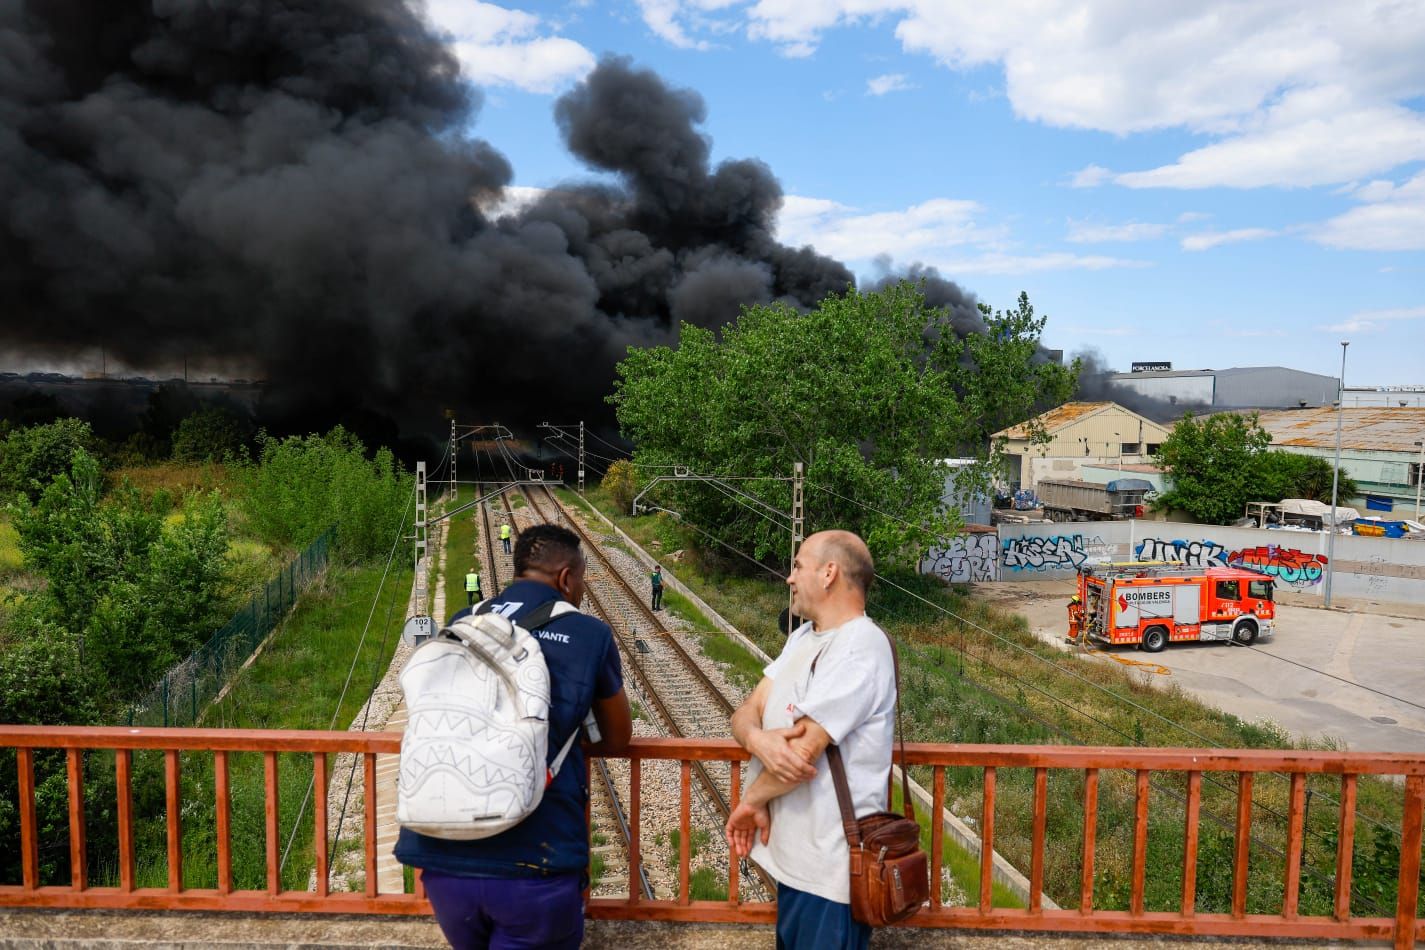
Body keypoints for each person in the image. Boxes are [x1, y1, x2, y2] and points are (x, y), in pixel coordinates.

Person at [396, 524, 632, 950]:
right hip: (536, 862)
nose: (581, 591)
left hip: (444, 857)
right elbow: (617, 737)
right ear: (566, 578)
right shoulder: (589, 633)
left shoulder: (465, 620)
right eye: (581, 580)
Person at [725, 530, 895, 950]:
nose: (790, 577)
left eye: (798, 566)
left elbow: (802, 754)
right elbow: (747, 709)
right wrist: (757, 739)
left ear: (829, 573)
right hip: (796, 867)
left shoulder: (862, 646)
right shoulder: (802, 638)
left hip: (831, 876)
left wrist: (750, 803)